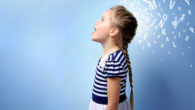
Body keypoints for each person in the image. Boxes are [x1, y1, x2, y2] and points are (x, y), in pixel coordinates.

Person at [89, 5, 138, 110]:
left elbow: (112, 104)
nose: (96, 22)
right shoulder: (109, 57)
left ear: (113, 31)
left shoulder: (114, 61)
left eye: (102, 20)